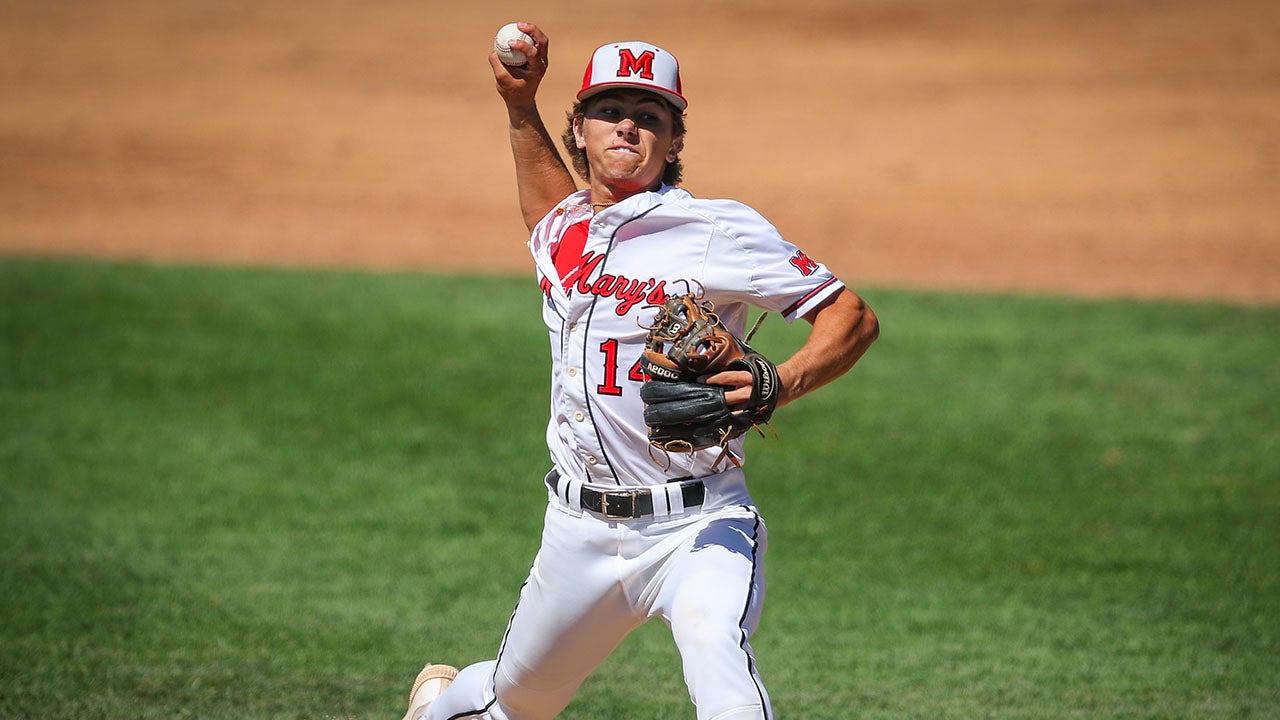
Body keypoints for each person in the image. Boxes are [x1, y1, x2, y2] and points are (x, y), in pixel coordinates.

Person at [402, 23, 879, 720]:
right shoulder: (567, 234)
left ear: (675, 139)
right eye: (611, 111)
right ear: (581, 128)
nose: (628, 126)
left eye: (650, 116)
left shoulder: (718, 230)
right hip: (578, 531)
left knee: (719, 660)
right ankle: (438, 707)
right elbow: (546, 211)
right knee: (515, 702)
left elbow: (851, 317)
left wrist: (782, 379)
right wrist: (517, 104)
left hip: (699, 524)